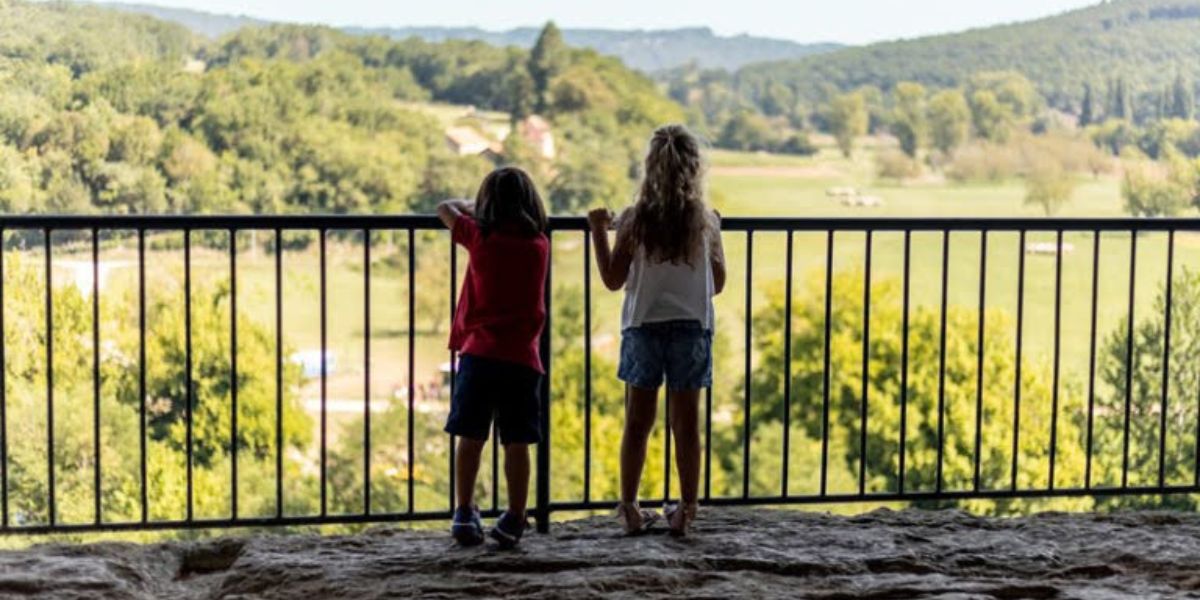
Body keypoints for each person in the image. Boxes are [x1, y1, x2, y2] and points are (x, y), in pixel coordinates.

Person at [587, 124, 726, 537]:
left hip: (644, 327)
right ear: (695, 170)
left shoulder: (634, 220)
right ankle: (686, 511)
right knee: (686, 426)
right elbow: (717, 283)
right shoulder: (706, 222)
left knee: (637, 422)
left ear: (649, 169)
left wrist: (598, 231)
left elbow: (613, 279)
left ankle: (630, 507)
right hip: (691, 329)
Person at [437, 166, 549, 548]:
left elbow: (445, 207)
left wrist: (473, 207)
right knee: (517, 442)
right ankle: (516, 517)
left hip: (480, 354)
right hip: (522, 359)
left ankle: (465, 511)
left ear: (489, 207)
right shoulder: (539, 245)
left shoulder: (480, 238)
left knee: (470, 437)